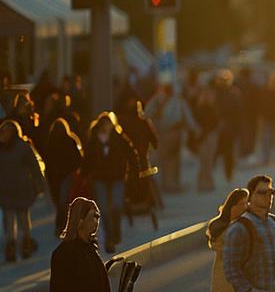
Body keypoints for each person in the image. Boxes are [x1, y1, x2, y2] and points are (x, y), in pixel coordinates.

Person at [79, 112, 137, 254]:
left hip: (117, 177)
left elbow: (131, 153)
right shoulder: (94, 140)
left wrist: (134, 170)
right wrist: (83, 175)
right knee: (104, 209)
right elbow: (88, 159)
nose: (108, 127)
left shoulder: (119, 138)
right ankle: (109, 238)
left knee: (117, 205)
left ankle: (116, 232)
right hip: (100, 178)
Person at [0, 119, 46, 262]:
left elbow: (35, 166)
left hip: (21, 188)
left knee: (23, 218)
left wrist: (39, 183)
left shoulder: (23, 147)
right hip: (5, 190)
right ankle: (11, 247)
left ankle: (26, 243)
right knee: (9, 220)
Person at [145, 82, 195, 194]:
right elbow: (147, 114)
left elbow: (187, 116)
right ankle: (166, 185)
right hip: (161, 134)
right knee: (163, 160)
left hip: (174, 133)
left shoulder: (177, 101)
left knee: (172, 160)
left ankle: (172, 185)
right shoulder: (157, 100)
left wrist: (194, 128)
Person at [40, 117, 83, 234]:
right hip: (60, 176)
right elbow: (78, 159)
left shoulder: (51, 141)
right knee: (63, 201)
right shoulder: (68, 140)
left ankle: (61, 226)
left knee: (62, 201)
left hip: (61, 176)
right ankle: (63, 225)